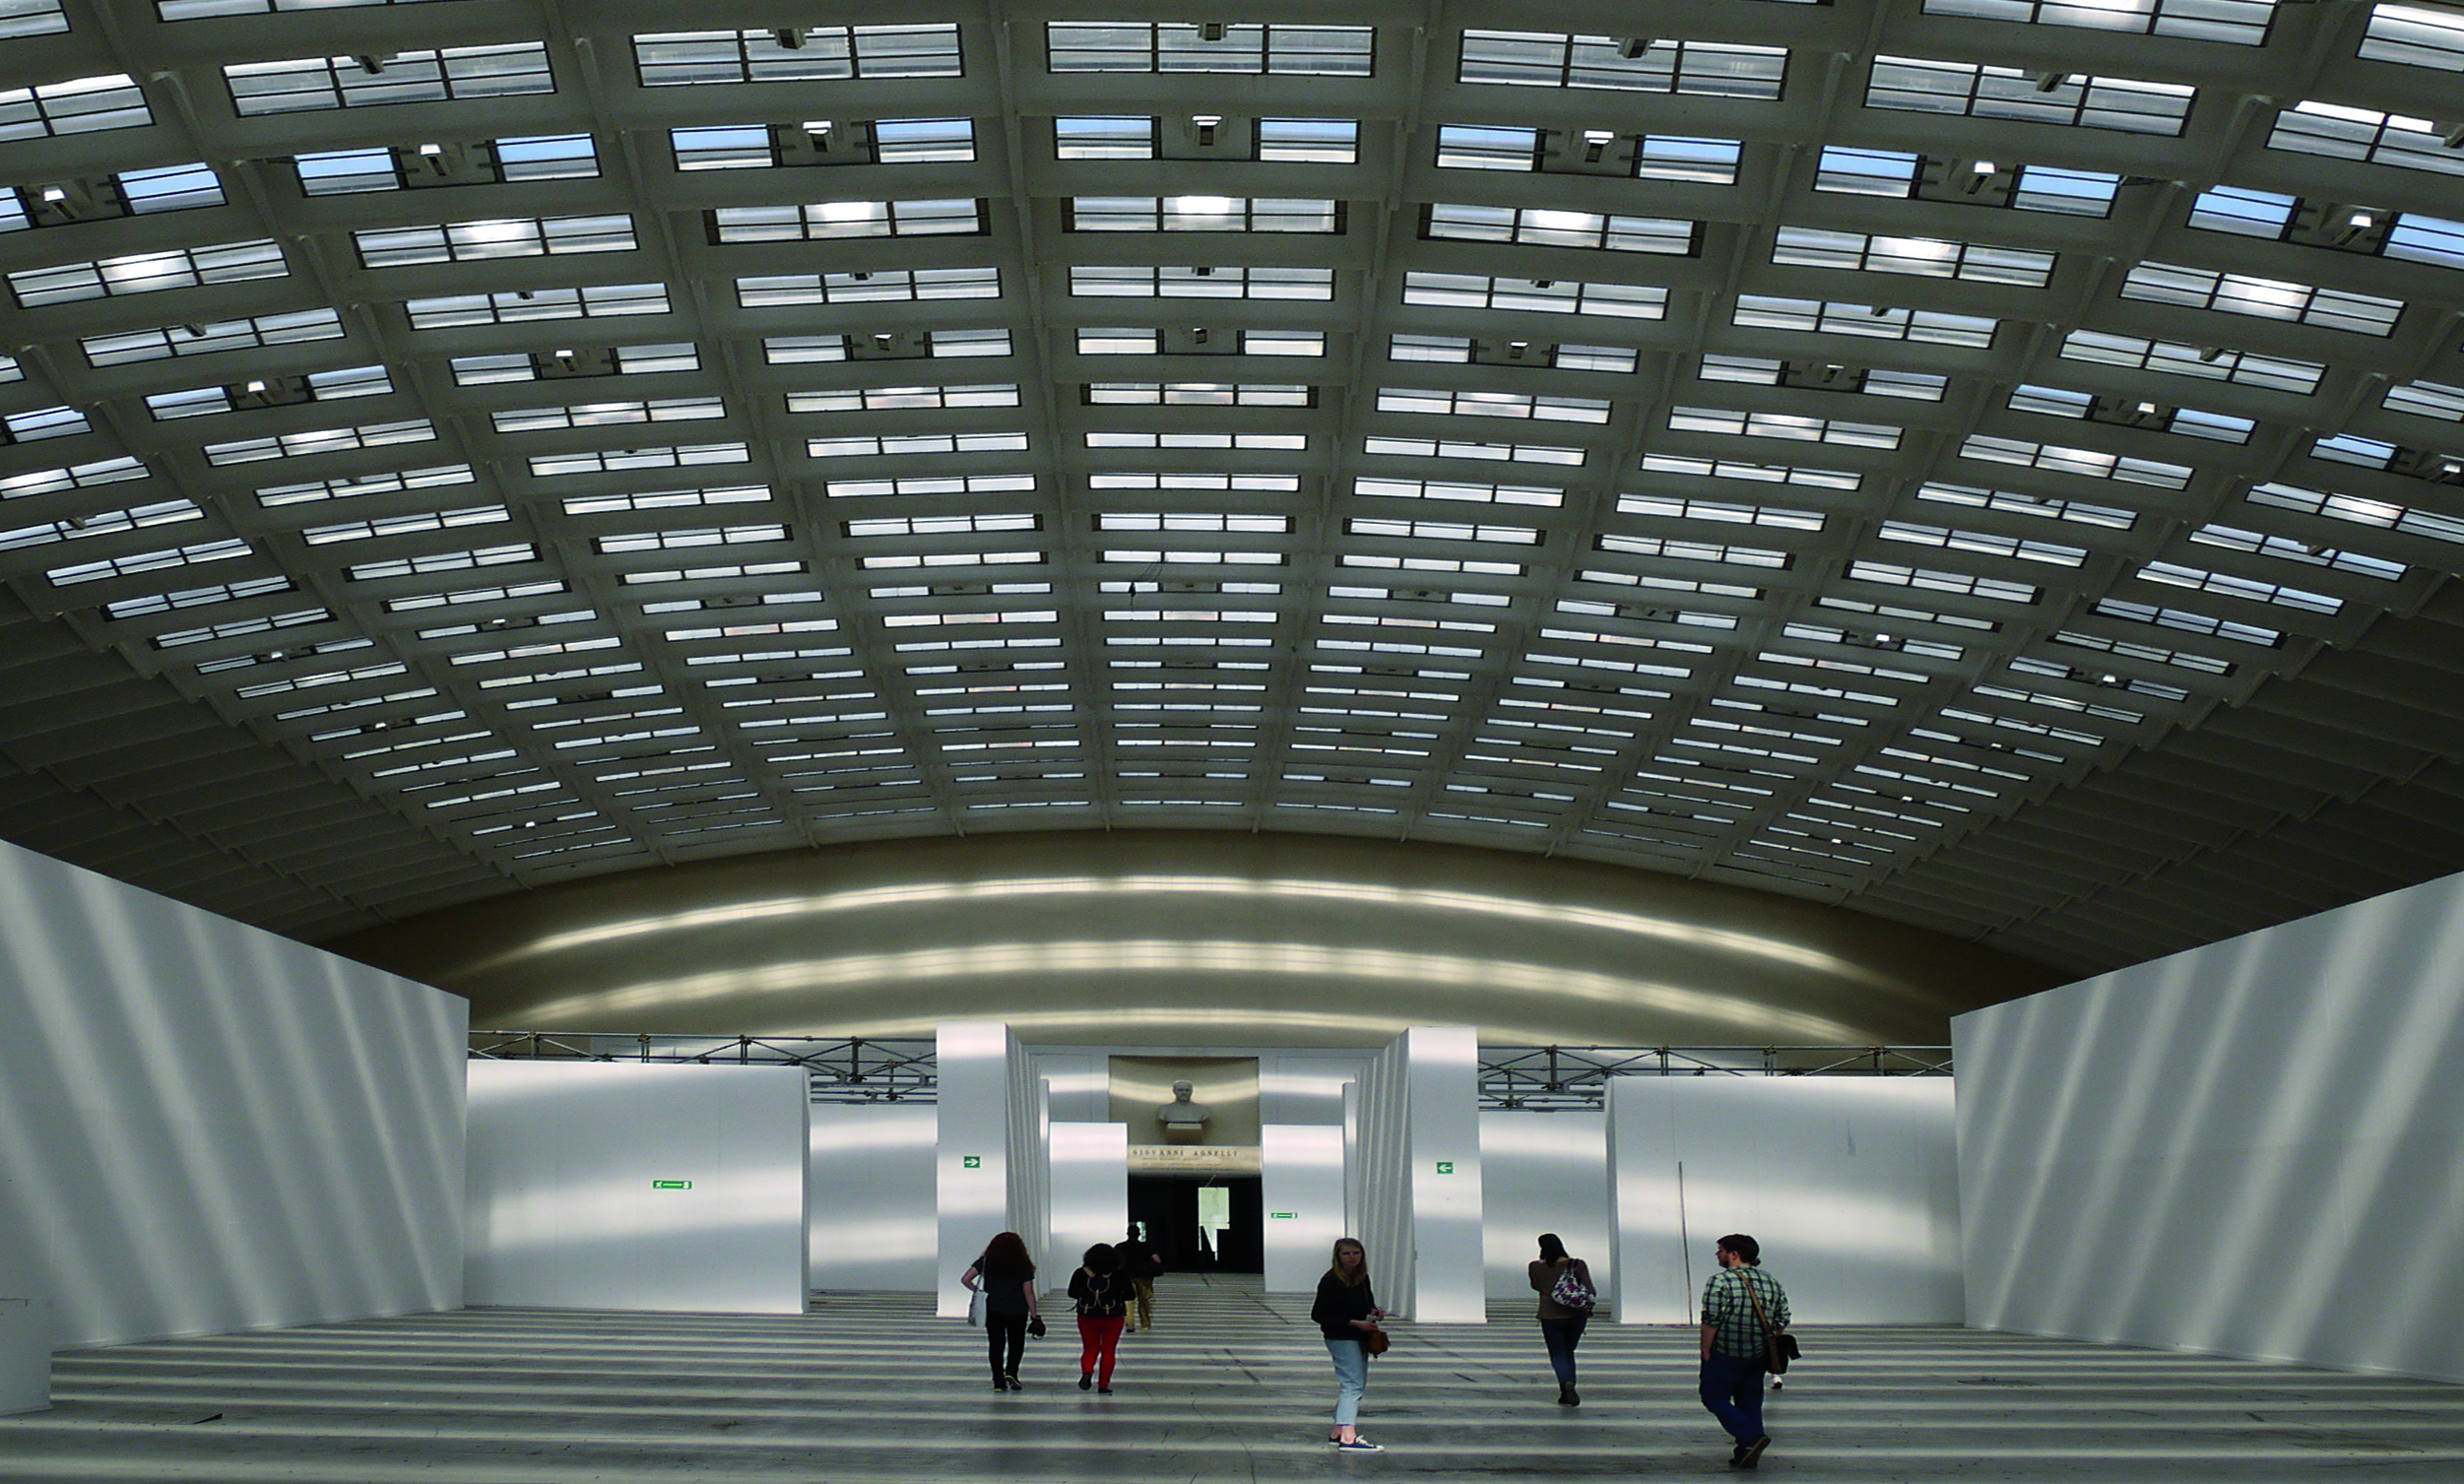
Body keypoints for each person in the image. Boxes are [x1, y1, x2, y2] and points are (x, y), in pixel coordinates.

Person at [1699, 1233, 1789, 1469]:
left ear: (1734, 1254)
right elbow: (1783, 1318)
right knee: (1750, 1402)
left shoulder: (1720, 1281)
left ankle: (1751, 1437)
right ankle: (1746, 1453)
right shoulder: (1771, 1282)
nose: (1717, 1254)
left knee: (1713, 1397)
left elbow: (1711, 1320)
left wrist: (1705, 1351)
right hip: (1759, 1355)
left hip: (1726, 1352)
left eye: (1720, 1250)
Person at [1310, 1237, 1385, 1452]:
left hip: (1358, 1337)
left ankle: (1338, 1432)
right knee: (1352, 1386)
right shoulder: (1332, 1280)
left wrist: (1373, 1312)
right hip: (1341, 1337)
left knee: (1353, 1384)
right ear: (1337, 1256)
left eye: (1356, 1253)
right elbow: (1319, 1314)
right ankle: (1349, 1438)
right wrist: (1355, 1323)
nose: (1352, 1257)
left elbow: (1365, 1303)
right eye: (1346, 1254)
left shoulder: (1361, 1278)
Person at [960, 1231, 1039, 1391]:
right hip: (1017, 1310)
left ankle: (998, 1380)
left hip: (994, 1309)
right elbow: (1028, 1292)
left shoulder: (986, 1261)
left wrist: (979, 1292)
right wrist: (1034, 1314)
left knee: (996, 1345)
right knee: (1016, 1344)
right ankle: (1011, 1373)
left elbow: (965, 1279)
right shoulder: (1023, 1264)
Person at [1528, 1232, 1595, 1405]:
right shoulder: (1577, 1264)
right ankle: (1569, 1386)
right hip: (1576, 1316)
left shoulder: (1535, 1267)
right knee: (1569, 1352)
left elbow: (1536, 1286)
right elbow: (1590, 1289)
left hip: (1550, 1316)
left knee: (1558, 1354)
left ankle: (1566, 1386)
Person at [1069, 1243, 1129, 1392]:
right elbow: (1130, 1295)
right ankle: (1103, 1385)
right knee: (1108, 1351)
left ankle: (1087, 1371)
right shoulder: (1119, 1274)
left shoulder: (1081, 1273)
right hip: (1113, 1316)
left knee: (1090, 1348)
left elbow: (1072, 1293)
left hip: (1087, 1315)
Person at [1117, 1221, 1161, 1331]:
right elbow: (1157, 1260)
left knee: (1128, 1301)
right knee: (1144, 1301)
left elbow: (1116, 1262)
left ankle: (1130, 1324)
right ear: (1139, 1234)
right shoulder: (1146, 1247)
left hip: (1126, 1277)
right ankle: (1145, 1324)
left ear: (1127, 1233)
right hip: (1143, 1277)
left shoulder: (1120, 1247)